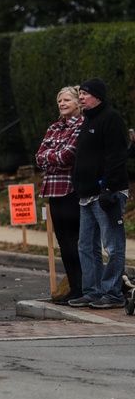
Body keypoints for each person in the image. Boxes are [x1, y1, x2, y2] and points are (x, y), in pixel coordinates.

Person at [67, 77, 130, 309]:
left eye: (85, 94)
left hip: (107, 194)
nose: (81, 97)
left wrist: (108, 188)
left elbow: (116, 155)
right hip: (86, 195)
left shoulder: (110, 118)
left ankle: (112, 293)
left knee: (113, 246)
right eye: (80, 93)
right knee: (86, 245)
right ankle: (92, 292)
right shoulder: (87, 120)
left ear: (98, 96)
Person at [35, 86, 84, 304]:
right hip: (52, 190)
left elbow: (68, 155)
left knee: (75, 241)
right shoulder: (54, 127)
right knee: (62, 242)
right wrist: (52, 157)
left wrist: (50, 157)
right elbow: (38, 157)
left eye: (66, 100)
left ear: (78, 103)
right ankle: (72, 287)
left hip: (70, 189)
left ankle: (83, 286)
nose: (62, 104)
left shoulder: (81, 126)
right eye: (59, 101)